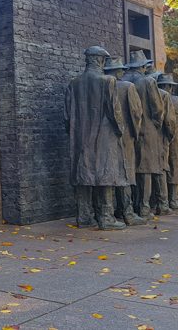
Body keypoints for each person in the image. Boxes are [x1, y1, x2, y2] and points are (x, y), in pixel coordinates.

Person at [64, 47, 127, 230]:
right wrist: (120, 131)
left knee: (82, 173)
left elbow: (67, 116)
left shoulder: (74, 83)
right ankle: (106, 218)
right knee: (104, 173)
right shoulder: (108, 80)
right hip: (104, 135)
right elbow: (115, 112)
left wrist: (74, 133)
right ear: (100, 60)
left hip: (79, 135)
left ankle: (83, 217)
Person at [103, 57, 147, 226]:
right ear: (119, 71)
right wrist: (135, 134)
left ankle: (113, 210)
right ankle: (127, 212)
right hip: (125, 135)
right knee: (125, 173)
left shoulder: (103, 85)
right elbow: (136, 113)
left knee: (109, 172)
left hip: (106, 136)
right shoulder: (128, 87)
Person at [122, 51, 165, 218]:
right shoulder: (147, 81)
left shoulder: (121, 81)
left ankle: (128, 207)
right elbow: (158, 108)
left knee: (129, 168)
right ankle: (144, 208)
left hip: (126, 131)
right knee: (145, 169)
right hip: (147, 130)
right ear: (143, 66)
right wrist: (156, 125)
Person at [158, 73, 178, 210]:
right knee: (175, 167)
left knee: (161, 168)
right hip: (175, 140)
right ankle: (174, 200)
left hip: (158, 141)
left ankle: (161, 201)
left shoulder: (155, 100)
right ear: (170, 87)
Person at [152, 78, 177, 215]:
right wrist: (169, 136)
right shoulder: (163, 95)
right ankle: (162, 204)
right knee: (161, 168)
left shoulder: (134, 87)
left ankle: (147, 205)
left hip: (141, 138)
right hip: (159, 138)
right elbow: (170, 121)